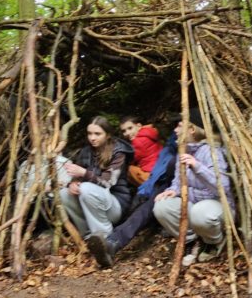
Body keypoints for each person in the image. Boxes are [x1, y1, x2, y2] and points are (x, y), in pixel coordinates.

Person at [87, 118, 180, 269]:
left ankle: (111, 240)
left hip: (164, 186)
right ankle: (110, 241)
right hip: (156, 183)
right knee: (138, 211)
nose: (175, 130)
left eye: (179, 127)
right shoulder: (170, 144)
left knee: (139, 211)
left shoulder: (182, 151)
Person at [152, 109, 234, 266]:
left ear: (191, 129)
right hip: (194, 204)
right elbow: (178, 181)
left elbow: (223, 186)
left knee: (200, 212)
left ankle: (212, 242)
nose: (175, 130)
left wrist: (197, 166)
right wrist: (173, 190)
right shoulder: (183, 151)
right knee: (161, 206)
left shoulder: (212, 151)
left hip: (217, 208)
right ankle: (192, 240)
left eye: (179, 126)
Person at [60, 116, 135, 241]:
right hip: (91, 204)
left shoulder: (119, 152)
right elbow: (76, 176)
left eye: (97, 134)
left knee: (86, 188)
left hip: (115, 205)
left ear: (108, 135)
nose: (92, 138)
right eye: (89, 133)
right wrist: (73, 184)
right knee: (64, 193)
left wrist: (84, 173)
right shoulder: (86, 151)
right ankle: (89, 236)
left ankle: (104, 236)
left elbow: (107, 182)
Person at [120, 115, 163, 186]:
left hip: (151, 173)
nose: (127, 133)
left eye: (130, 128)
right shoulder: (149, 133)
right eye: (124, 131)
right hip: (160, 167)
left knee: (127, 169)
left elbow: (131, 159)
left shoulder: (137, 141)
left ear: (139, 126)